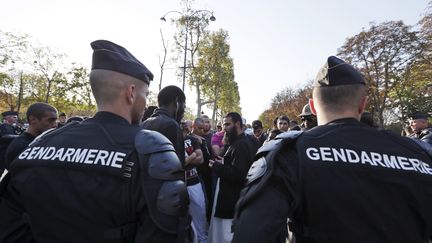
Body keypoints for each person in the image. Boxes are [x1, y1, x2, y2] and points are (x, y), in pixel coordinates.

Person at [0, 40, 189, 243]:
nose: (145, 104)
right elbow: (168, 234)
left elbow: (9, 229)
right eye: (145, 94)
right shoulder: (150, 149)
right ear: (131, 93)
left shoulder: (40, 144)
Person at [232, 56, 432, 243]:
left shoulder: (289, 154)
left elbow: (251, 233)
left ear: (313, 106)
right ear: (363, 104)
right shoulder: (419, 154)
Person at [208, 112, 255, 243]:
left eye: (228, 124)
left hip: (231, 201)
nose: (224, 128)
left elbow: (238, 174)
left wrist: (216, 166)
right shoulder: (236, 142)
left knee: (226, 236)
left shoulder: (242, 144)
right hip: (227, 195)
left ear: (238, 124)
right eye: (224, 125)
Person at [141, 85, 186, 166]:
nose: (183, 111)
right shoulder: (172, 125)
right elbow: (176, 166)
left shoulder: (144, 124)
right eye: (184, 106)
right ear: (176, 102)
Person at [5, 103, 58, 169]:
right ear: (33, 119)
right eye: (50, 120)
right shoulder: (19, 146)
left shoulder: (45, 141)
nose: (55, 125)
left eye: (55, 120)